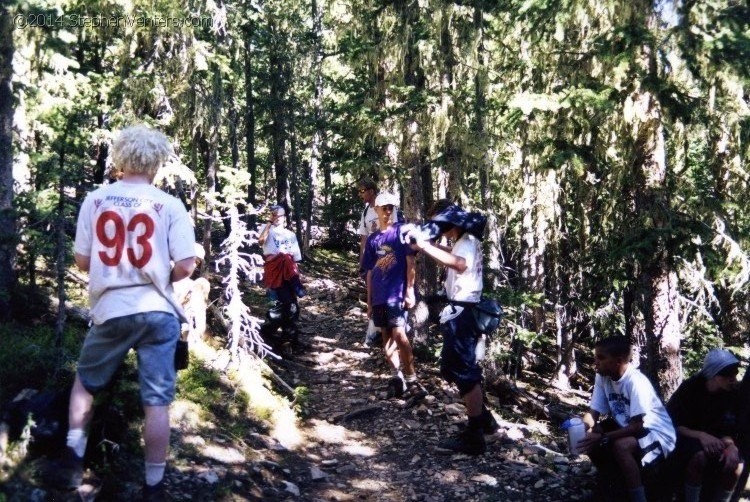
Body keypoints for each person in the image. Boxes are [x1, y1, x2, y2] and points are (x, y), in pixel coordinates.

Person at [48, 125, 197, 500]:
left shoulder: (96, 199)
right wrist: (161, 275)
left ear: (121, 157)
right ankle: (154, 484)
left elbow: (82, 260)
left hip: (112, 308)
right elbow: (187, 264)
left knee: (85, 382)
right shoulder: (169, 204)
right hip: (158, 311)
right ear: (156, 161)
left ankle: (72, 457)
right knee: (157, 401)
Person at [406, 201, 498, 455]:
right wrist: (424, 245)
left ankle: (475, 435)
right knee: (452, 367)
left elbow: (458, 263)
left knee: (464, 371)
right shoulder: (462, 241)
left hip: (464, 313)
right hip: (459, 310)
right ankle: (483, 420)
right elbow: (452, 259)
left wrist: (424, 245)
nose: (441, 229)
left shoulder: (466, 242)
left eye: (442, 224)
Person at [576, 336, 676, 502]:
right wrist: (581, 429)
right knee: (592, 437)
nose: (596, 362)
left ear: (618, 361)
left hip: (656, 432)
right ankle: (613, 486)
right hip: (626, 424)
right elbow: (594, 412)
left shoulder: (635, 382)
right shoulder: (602, 376)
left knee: (621, 446)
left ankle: (638, 497)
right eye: (595, 357)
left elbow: (638, 426)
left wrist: (602, 438)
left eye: (601, 358)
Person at [362, 193, 428, 403]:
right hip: (379, 296)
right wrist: (369, 301)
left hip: (396, 294)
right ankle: (395, 377)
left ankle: (412, 379)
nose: (387, 211)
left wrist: (410, 291)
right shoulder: (373, 240)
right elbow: (370, 272)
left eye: (390, 207)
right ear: (377, 210)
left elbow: (410, 263)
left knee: (400, 335)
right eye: (383, 208)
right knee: (386, 337)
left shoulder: (401, 231)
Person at [666, 349, 744, 502]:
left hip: (717, 441)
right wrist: (701, 436)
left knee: (737, 464)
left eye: (735, 374)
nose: (733, 379)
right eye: (728, 375)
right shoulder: (690, 389)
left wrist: (731, 447)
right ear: (714, 374)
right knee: (699, 457)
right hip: (686, 438)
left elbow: (729, 427)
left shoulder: (732, 394)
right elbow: (673, 423)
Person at [258, 205, 305, 349]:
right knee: (279, 305)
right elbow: (261, 241)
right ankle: (266, 334)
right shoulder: (266, 230)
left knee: (292, 306)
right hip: (274, 271)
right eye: (274, 215)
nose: (277, 218)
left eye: (279, 215)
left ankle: (289, 339)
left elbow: (295, 258)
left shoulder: (290, 234)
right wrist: (269, 223)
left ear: (284, 216)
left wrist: (296, 276)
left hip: (289, 273)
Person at [356, 178, 398, 280]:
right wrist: (362, 263)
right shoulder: (365, 212)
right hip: (371, 254)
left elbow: (395, 229)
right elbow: (364, 238)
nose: (359, 195)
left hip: (387, 252)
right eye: (359, 192)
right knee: (371, 281)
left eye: (362, 191)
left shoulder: (388, 208)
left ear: (371, 191)